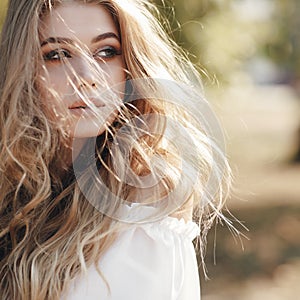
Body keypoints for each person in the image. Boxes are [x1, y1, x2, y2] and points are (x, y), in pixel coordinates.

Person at [0, 0, 233, 299]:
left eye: (107, 51)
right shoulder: (14, 189)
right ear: (23, 69)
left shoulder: (144, 208)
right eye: (57, 54)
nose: (87, 76)